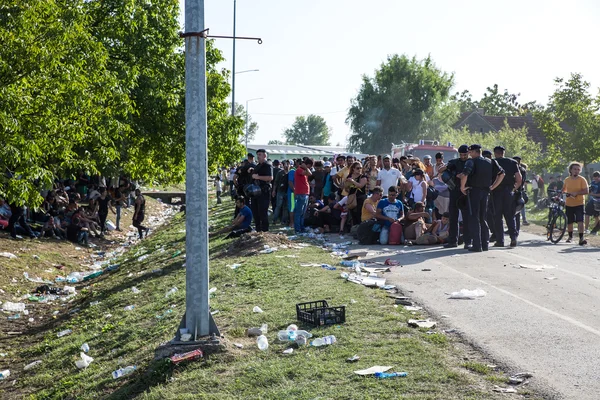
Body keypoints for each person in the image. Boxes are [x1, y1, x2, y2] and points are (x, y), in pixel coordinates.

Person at [460, 144, 505, 252]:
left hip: (474, 191)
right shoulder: (490, 161)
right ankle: (485, 244)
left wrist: (462, 187)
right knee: (483, 218)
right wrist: (493, 186)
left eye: (470, 152)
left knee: (474, 218)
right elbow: (502, 174)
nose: (469, 154)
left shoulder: (471, 162)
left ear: (475, 152)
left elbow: (465, 175)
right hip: (485, 192)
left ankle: (477, 245)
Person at [439, 145, 470, 249]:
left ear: (468, 153)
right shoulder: (454, 162)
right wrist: (447, 167)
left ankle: (467, 241)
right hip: (454, 190)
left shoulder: (471, 162)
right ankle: (453, 241)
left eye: (465, 154)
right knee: (453, 217)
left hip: (466, 191)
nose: (463, 156)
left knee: (466, 217)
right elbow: (440, 170)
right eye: (461, 154)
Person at [492, 146, 522, 248]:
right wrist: (514, 189)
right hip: (509, 191)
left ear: (495, 153)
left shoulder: (492, 162)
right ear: (503, 153)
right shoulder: (512, 162)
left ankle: (500, 240)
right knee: (510, 216)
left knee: (497, 217)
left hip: (496, 192)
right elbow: (519, 179)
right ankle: (513, 237)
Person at [562, 162, 589, 245]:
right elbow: (563, 190)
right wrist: (564, 194)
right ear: (570, 170)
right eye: (575, 169)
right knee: (569, 221)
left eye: (578, 169)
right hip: (569, 203)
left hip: (579, 203)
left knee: (580, 221)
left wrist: (576, 193)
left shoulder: (582, 179)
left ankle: (581, 238)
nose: (576, 171)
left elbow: (586, 191)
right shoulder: (567, 180)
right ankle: (570, 237)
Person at [249, 149, 273, 232]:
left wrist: (258, 177)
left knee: (262, 212)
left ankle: (265, 231)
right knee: (255, 212)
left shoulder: (268, 165)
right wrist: (252, 171)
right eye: (257, 155)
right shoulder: (258, 165)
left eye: (260, 155)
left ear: (264, 156)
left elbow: (270, 178)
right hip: (255, 192)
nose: (258, 156)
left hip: (264, 191)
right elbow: (256, 173)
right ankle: (258, 230)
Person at [343, 161, 368, 226]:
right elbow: (346, 188)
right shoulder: (349, 176)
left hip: (360, 198)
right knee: (353, 214)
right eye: (357, 168)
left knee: (359, 214)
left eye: (360, 168)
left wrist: (353, 181)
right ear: (353, 168)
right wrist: (346, 184)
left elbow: (360, 185)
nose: (359, 170)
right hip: (352, 198)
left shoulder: (363, 177)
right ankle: (354, 229)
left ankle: (359, 229)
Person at [294, 158, 312, 233]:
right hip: (301, 193)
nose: (310, 168)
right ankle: (298, 229)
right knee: (299, 212)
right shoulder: (299, 170)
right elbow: (310, 173)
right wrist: (305, 167)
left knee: (303, 213)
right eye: (309, 166)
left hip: (305, 193)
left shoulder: (303, 170)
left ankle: (301, 227)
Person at [513, 156, 529, 232]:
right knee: (517, 212)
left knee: (514, 212)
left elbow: (520, 181)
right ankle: (516, 228)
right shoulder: (522, 170)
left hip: (516, 191)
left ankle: (515, 228)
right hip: (519, 191)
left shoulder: (517, 170)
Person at [272, 160, 290, 225]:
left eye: (288, 164)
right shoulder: (280, 172)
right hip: (280, 191)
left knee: (286, 207)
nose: (286, 166)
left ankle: (284, 220)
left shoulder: (290, 173)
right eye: (285, 164)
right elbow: (275, 182)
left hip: (287, 192)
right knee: (278, 206)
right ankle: (274, 220)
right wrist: (274, 190)